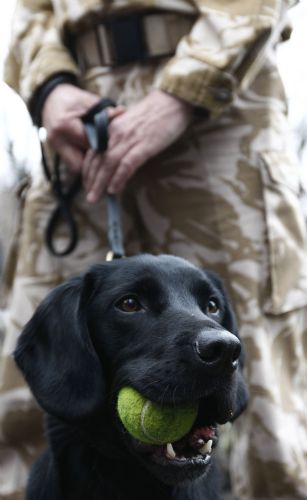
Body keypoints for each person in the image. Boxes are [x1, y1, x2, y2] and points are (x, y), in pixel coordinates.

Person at [1, 0, 307, 498]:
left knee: (268, 431)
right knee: (22, 412)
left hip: (221, 116)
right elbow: (30, 10)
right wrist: (49, 88)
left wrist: (184, 92)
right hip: (80, 121)